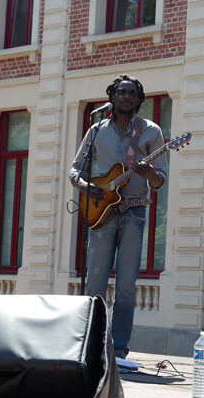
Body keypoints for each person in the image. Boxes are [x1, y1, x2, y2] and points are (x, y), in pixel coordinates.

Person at [69, 75, 168, 358]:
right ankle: (91, 345)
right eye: (121, 92)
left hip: (133, 211)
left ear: (139, 99)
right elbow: (75, 170)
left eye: (132, 93)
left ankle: (120, 349)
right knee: (95, 281)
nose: (126, 97)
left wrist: (151, 175)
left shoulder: (151, 132)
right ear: (112, 97)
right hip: (100, 212)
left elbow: (160, 179)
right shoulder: (97, 130)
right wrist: (88, 187)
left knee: (126, 284)